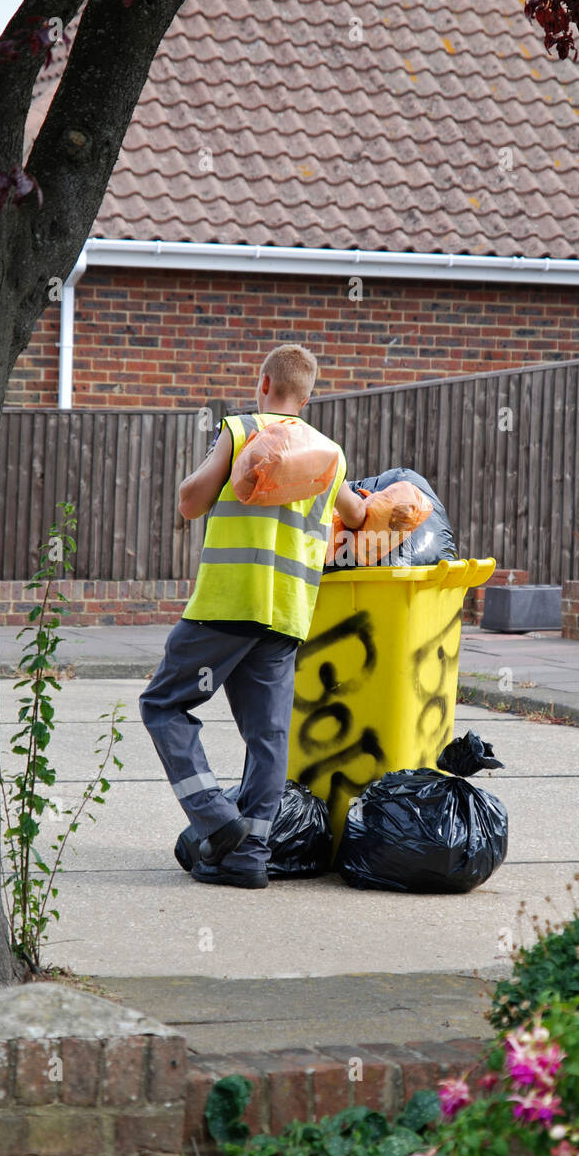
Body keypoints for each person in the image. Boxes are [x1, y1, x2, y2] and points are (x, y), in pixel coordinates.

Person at [139, 344, 368, 889]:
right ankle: (250, 858)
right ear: (308, 398)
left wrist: (203, 479)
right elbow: (357, 515)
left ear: (263, 384)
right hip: (286, 614)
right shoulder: (330, 454)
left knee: (163, 705)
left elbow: (190, 502)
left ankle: (219, 823)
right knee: (267, 737)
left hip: (227, 605)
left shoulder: (241, 429)